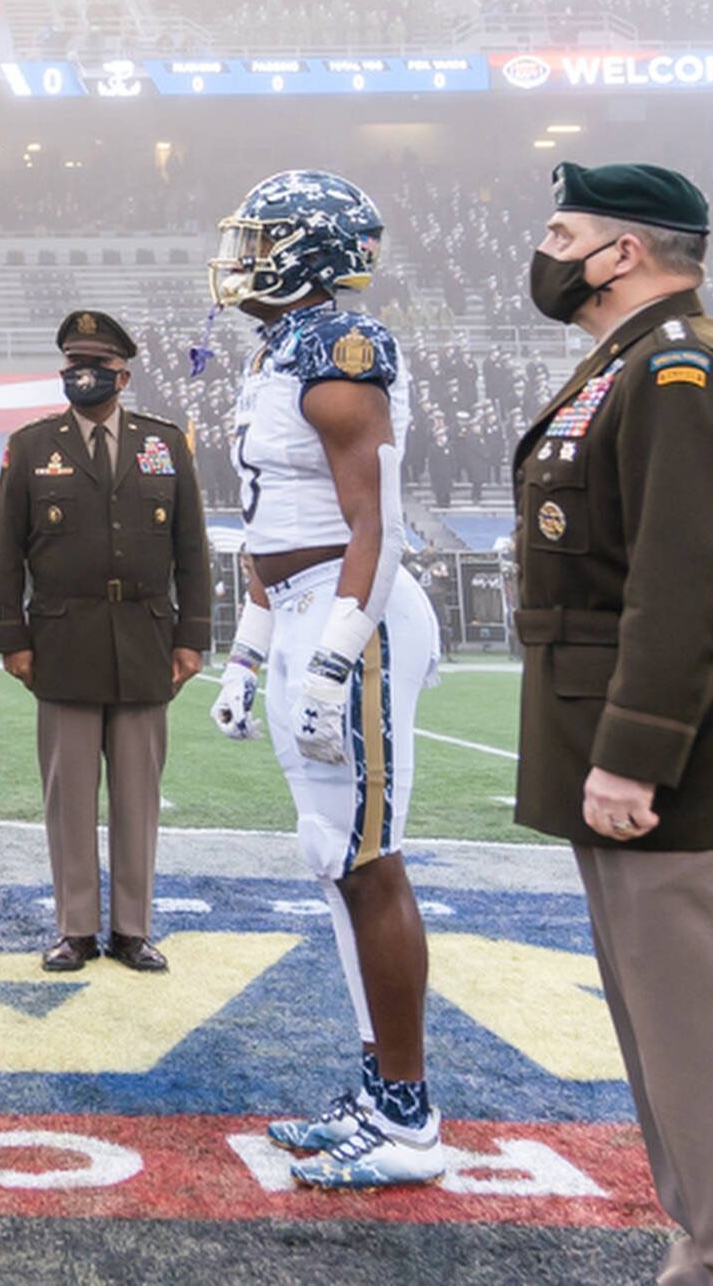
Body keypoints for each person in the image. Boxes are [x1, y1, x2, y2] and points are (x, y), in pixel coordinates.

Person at [511, 161, 713, 1286]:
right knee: (686, 1068)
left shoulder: (677, 373)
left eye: (563, 230)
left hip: (697, 779)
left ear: (624, 252)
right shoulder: (627, 368)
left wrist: (631, 753)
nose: (543, 248)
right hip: (652, 775)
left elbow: (691, 579)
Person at [200, 172, 444, 1189]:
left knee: (368, 860)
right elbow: (273, 527)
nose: (241, 252)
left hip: (359, 613)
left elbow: (372, 522)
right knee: (334, 857)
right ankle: (379, 1086)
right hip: (305, 609)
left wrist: (337, 652)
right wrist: (250, 653)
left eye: (261, 237)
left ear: (306, 249)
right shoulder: (278, 352)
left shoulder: (341, 351)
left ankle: (408, 1113)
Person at [0, 308, 210, 975]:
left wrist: (192, 635)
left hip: (146, 637)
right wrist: (11, 635)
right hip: (61, 641)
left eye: (97, 368)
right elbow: (6, 551)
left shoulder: (164, 444)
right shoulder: (30, 446)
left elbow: (191, 550)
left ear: (123, 374)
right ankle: (76, 929)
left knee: (138, 797)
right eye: (73, 367)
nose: (83, 377)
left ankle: (133, 930)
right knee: (70, 795)